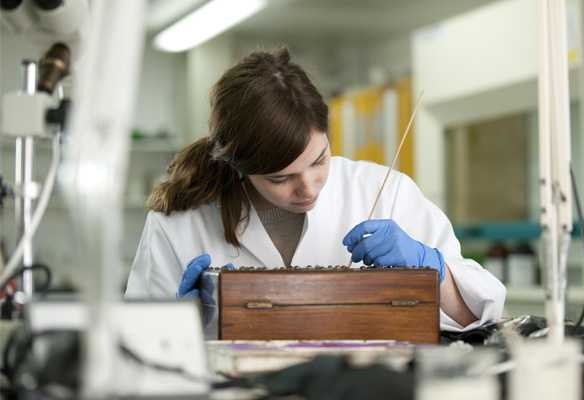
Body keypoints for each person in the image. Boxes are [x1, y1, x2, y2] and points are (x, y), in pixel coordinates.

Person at [124, 47, 506, 332]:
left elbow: (481, 314)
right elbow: (134, 357)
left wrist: (431, 269)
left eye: (319, 159)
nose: (308, 187)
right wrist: (177, 329)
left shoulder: (384, 190)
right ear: (239, 169)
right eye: (280, 178)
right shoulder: (180, 222)